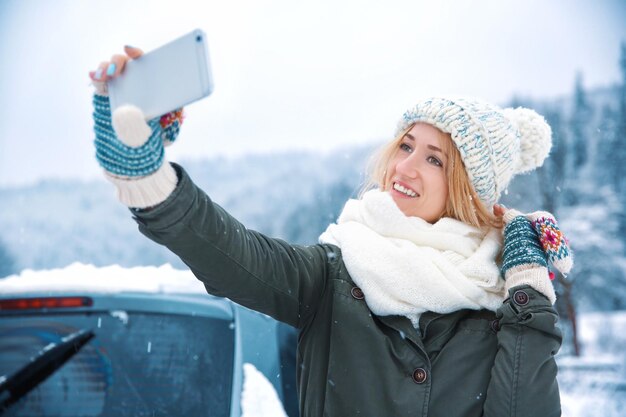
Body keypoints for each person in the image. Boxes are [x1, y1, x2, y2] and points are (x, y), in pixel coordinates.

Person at [89, 46, 573, 417]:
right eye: (405, 145)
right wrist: (148, 180)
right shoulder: (334, 275)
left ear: (469, 186)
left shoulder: (501, 299)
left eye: (434, 159)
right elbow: (231, 253)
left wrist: (529, 292)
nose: (405, 167)